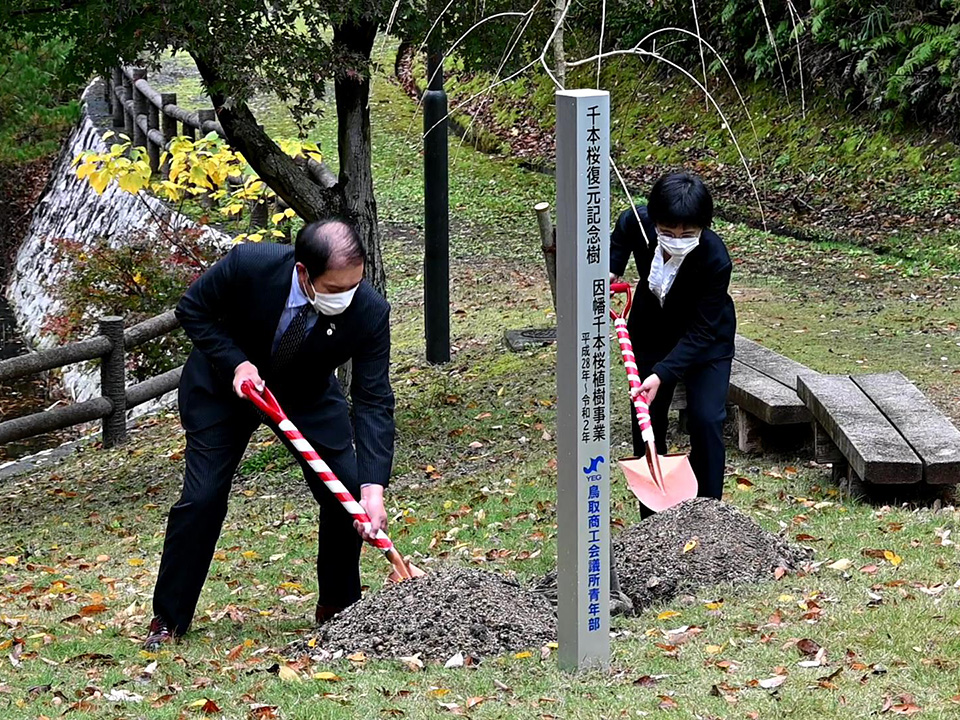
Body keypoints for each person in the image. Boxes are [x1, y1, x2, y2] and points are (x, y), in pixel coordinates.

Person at [144, 219, 395, 649]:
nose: (347, 297)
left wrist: (374, 486)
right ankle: (169, 618)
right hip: (225, 386)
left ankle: (338, 608)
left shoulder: (369, 311)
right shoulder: (250, 264)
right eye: (336, 289)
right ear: (303, 274)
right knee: (202, 498)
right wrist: (236, 362)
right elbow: (193, 310)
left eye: (355, 285)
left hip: (306, 394)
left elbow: (373, 399)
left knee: (346, 493)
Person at [609, 172, 736, 513]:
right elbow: (623, 227)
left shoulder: (715, 259)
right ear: (655, 222)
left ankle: (710, 511)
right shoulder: (640, 222)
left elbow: (702, 332)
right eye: (667, 232)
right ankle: (653, 519)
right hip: (651, 332)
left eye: (688, 234)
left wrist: (663, 373)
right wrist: (612, 267)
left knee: (707, 418)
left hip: (706, 341)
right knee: (646, 414)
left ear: (704, 227)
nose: (677, 238)